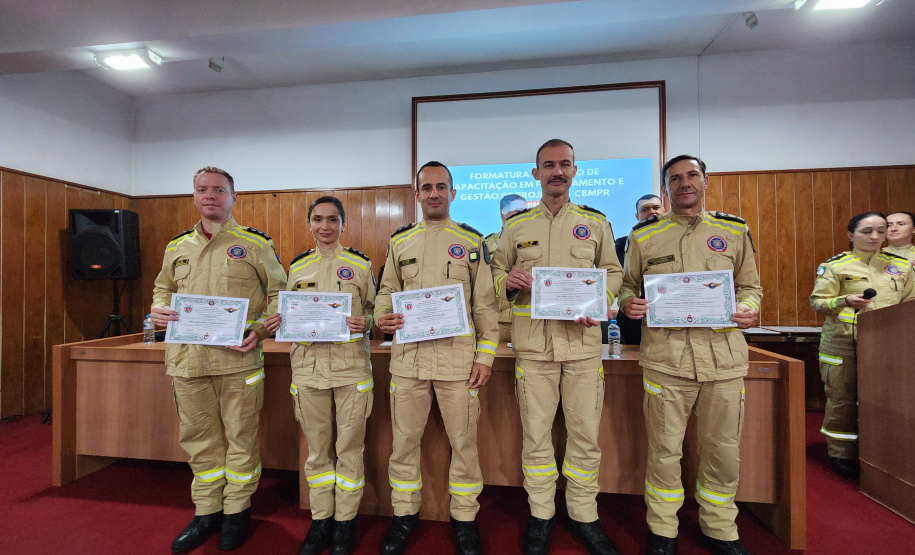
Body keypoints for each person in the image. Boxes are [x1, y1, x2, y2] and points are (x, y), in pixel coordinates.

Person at [619, 155, 762, 555]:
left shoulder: (733, 230)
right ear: (665, 188)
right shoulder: (643, 236)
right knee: (664, 451)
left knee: (723, 450)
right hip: (666, 360)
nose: (685, 183)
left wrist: (750, 307)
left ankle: (719, 528)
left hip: (723, 361)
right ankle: (662, 530)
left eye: (692, 176)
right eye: (675, 178)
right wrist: (628, 303)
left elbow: (751, 286)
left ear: (705, 182)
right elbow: (627, 286)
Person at [490, 139, 623, 555]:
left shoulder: (596, 222)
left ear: (575, 170)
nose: (557, 172)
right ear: (536, 174)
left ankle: (584, 514)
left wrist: (604, 300)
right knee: (536, 437)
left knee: (585, 435)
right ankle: (541, 514)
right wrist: (505, 283)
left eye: (564, 164)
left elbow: (613, 273)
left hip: (583, 347)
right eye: (548, 165)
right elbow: (494, 275)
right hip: (532, 350)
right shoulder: (516, 226)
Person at [150, 166, 287, 553]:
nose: (210, 195)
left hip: (238, 362)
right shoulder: (176, 247)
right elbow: (163, 289)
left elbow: (279, 296)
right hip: (188, 361)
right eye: (202, 189)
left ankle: (237, 511)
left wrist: (260, 330)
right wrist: (158, 308)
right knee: (199, 441)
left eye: (219, 190)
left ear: (233, 197)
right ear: (194, 196)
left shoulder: (256, 244)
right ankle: (206, 512)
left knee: (242, 440)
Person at [375, 161, 499, 555]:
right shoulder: (400, 242)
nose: (434, 194)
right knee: (404, 443)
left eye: (441, 187)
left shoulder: (470, 241)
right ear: (416, 194)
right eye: (426, 187)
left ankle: (464, 519)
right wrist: (382, 316)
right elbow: (385, 292)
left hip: (457, 363)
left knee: (464, 444)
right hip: (408, 362)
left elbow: (485, 307)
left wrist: (486, 357)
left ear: (453, 193)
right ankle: (404, 515)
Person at [263, 196, 375, 555]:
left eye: (332, 219)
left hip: (350, 369)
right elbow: (282, 310)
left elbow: (377, 310)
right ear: (309, 224)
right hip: (308, 371)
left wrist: (368, 322)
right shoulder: (296, 268)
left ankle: (345, 522)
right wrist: (277, 321)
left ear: (343, 224)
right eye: (317, 219)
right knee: (317, 451)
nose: (325, 226)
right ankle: (321, 518)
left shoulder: (361, 265)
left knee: (350, 449)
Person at [810, 212, 915, 479]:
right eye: (867, 231)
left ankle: (882, 453)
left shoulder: (902, 265)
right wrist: (844, 301)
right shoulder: (836, 265)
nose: (875, 237)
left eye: (881, 231)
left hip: (888, 345)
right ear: (851, 235)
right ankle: (841, 453)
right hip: (843, 343)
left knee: (887, 400)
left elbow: (909, 304)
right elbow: (818, 302)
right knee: (842, 399)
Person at [614, 194, 665, 345]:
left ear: (664, 210)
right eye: (645, 209)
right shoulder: (623, 243)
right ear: (637, 216)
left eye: (656, 208)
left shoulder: (676, 241)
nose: (651, 212)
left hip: (669, 316)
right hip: (634, 317)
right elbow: (620, 278)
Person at [484, 194, 529, 343]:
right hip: (498, 320)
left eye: (526, 211)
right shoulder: (487, 244)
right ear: (504, 213)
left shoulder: (534, 242)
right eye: (518, 211)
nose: (523, 216)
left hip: (529, 319)